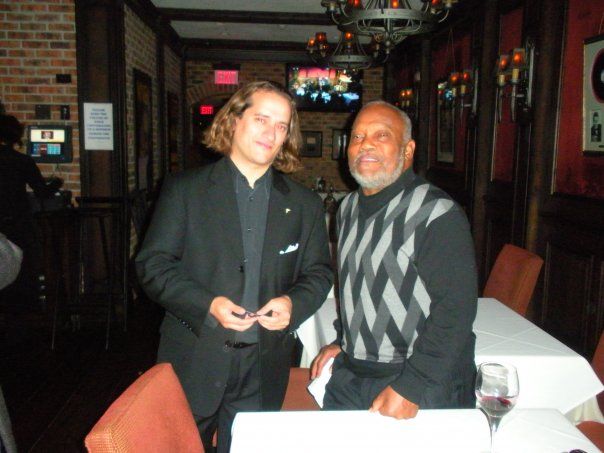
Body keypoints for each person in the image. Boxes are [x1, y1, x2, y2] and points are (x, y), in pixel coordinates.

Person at [136, 81, 333, 452]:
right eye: (261, 119)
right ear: (233, 120)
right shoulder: (184, 190)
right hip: (195, 353)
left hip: (264, 363)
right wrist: (207, 304)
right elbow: (153, 265)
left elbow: (319, 273)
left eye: (281, 125)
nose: (271, 132)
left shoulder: (304, 204)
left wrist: (293, 304)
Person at [311, 101, 477, 420]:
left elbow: (456, 310)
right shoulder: (346, 209)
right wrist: (343, 341)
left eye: (382, 135)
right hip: (352, 375)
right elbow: (356, 286)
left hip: (415, 381)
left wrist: (413, 386)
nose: (366, 144)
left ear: (408, 149)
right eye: (357, 136)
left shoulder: (435, 213)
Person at [0, 114, 62, 309]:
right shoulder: (23, 161)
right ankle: (24, 308)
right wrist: (57, 182)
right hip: (18, 223)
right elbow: (42, 192)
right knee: (24, 268)